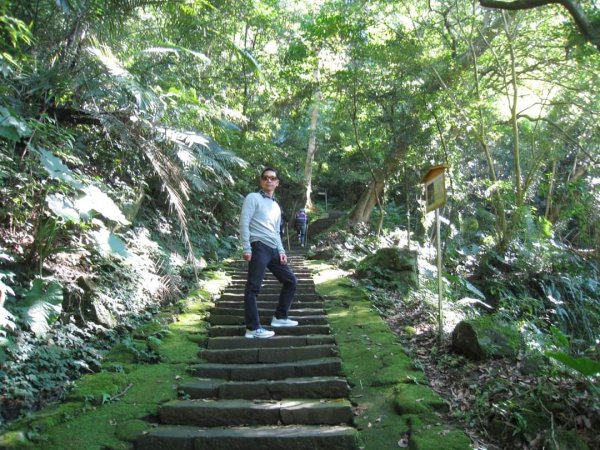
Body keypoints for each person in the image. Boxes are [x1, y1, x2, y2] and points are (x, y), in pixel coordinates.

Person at [239, 167, 298, 338]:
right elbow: (244, 223)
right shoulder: (253, 198)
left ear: (277, 183)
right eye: (265, 178)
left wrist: (281, 250)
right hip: (258, 246)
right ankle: (252, 328)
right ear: (261, 181)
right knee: (253, 287)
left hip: (273, 249)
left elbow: (276, 231)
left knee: (290, 281)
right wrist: (246, 247)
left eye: (272, 178)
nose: (269, 181)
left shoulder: (276, 206)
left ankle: (280, 316)